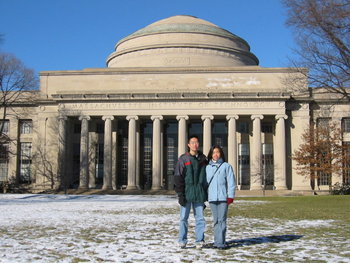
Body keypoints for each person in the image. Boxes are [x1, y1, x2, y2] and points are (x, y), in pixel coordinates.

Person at [174, 135, 208, 249]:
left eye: (197, 142)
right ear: (188, 145)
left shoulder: (203, 160)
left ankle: (199, 240)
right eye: (192, 142)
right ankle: (182, 240)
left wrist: (205, 194)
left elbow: (205, 178)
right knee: (183, 218)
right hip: (187, 193)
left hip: (199, 193)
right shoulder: (183, 159)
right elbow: (178, 177)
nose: (195, 144)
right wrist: (180, 195)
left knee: (200, 219)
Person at [206, 145, 235, 249]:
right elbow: (205, 183)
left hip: (223, 198)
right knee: (216, 221)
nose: (215, 154)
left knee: (222, 220)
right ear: (211, 155)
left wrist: (230, 196)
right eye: (213, 152)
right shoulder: (207, 167)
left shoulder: (226, 166)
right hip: (212, 198)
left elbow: (231, 182)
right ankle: (217, 241)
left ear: (221, 153)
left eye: (217, 152)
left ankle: (221, 243)